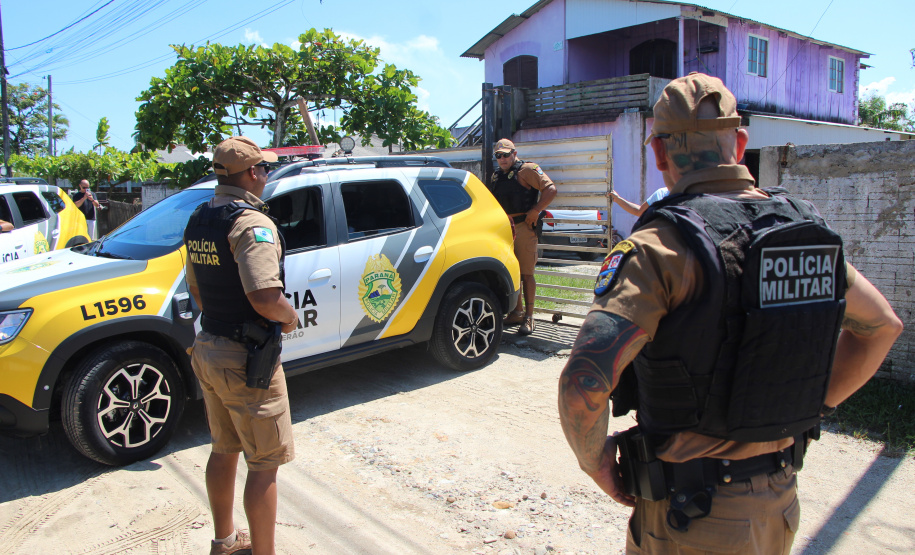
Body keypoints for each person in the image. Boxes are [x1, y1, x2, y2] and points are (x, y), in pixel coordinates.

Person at [557, 73, 902, 554]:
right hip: (778, 505)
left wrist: (595, 463)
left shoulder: (660, 248)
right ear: (739, 144)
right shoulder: (800, 231)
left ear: (659, 154)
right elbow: (883, 326)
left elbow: (584, 383)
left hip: (689, 516)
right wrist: (808, 406)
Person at [184, 136, 298, 555]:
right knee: (264, 464)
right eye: (264, 169)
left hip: (209, 347)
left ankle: (225, 542)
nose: (266, 176)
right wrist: (290, 317)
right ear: (251, 173)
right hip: (246, 360)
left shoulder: (199, 218)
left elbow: (197, 292)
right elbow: (265, 298)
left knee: (224, 449)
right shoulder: (251, 223)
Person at [490, 138, 557, 335]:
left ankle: (529, 317)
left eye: (506, 154)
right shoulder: (496, 176)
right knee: (513, 272)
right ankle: (517, 312)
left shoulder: (527, 170)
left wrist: (536, 210)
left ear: (514, 153)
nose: (502, 159)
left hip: (524, 227)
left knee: (527, 274)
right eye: (498, 155)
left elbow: (551, 189)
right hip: (504, 230)